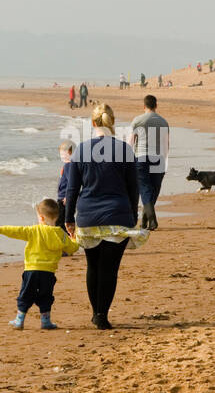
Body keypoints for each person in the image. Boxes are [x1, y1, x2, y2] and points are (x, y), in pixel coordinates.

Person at [65, 104, 148, 329]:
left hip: (88, 216)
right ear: (113, 121)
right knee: (110, 269)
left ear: (93, 123)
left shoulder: (81, 149)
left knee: (93, 266)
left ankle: (96, 312)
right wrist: (132, 216)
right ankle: (102, 315)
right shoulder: (125, 150)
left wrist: (68, 218)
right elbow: (134, 188)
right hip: (118, 214)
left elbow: (72, 189)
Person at [0, 198, 79, 330]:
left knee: (25, 294)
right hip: (48, 272)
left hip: (31, 270)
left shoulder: (34, 230)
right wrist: (74, 237)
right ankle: (45, 321)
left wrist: (1, 229)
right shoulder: (60, 234)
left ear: (42, 218)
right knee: (46, 296)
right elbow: (72, 248)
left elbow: (17, 231)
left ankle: (19, 321)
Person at [130, 95, 170, 230]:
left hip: (141, 157)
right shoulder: (163, 122)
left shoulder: (137, 120)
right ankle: (151, 219)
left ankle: (147, 219)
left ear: (144, 106)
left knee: (145, 188)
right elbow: (166, 144)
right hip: (158, 158)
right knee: (154, 189)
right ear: (156, 106)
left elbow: (132, 142)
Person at [56, 141, 76, 225]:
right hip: (66, 197)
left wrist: (67, 196)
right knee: (65, 219)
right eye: (60, 154)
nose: (61, 156)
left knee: (60, 222)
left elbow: (71, 182)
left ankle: (63, 236)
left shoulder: (68, 165)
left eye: (63, 154)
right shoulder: (73, 165)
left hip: (63, 199)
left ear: (70, 153)